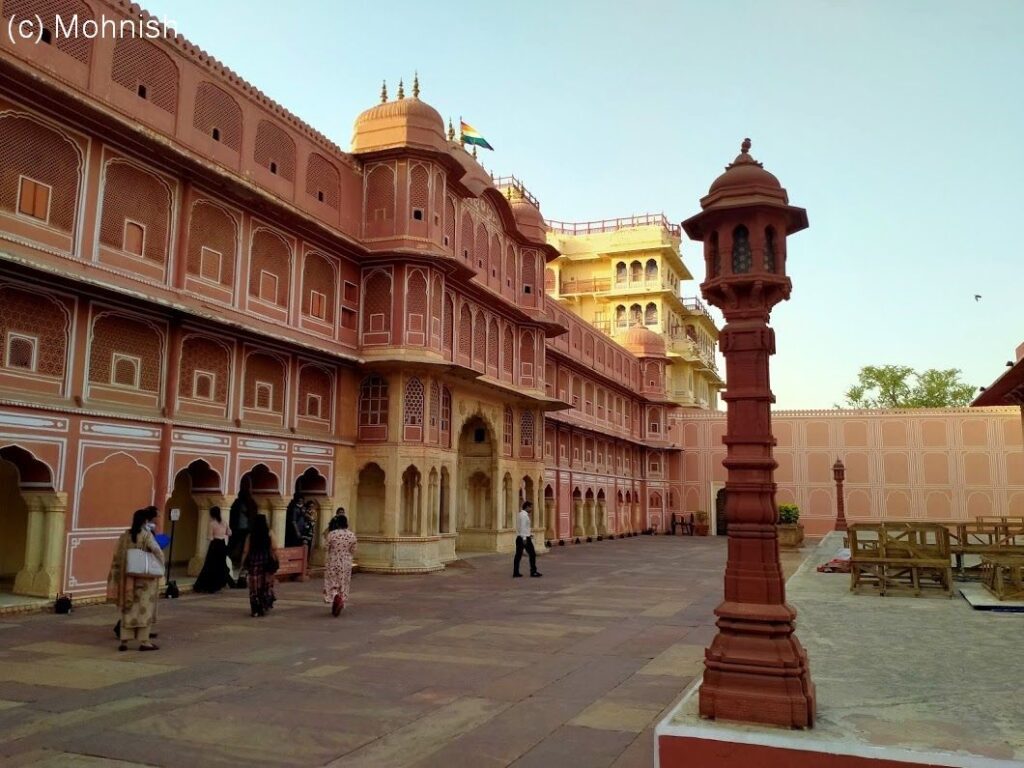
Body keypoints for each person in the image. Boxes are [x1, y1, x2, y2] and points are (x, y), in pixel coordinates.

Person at [107, 507, 163, 651]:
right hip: (145, 579)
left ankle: (124, 641)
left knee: (128, 608)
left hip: (128, 578)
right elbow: (157, 551)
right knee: (144, 609)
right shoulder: (146, 535)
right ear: (145, 520)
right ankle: (144, 641)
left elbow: (117, 556)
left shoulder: (125, 536)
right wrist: (159, 566)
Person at [322, 509, 357, 617]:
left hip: (333, 560)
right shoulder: (351, 535)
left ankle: (334, 596)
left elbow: (325, 548)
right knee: (344, 582)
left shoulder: (332, 534)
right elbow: (354, 550)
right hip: (346, 562)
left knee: (332, 581)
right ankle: (341, 598)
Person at [242, 514, 277, 617]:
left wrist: (242, 563)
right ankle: (263, 605)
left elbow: (245, 550)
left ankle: (255, 609)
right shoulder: (269, 533)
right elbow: (274, 548)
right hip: (265, 560)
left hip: (254, 561)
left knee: (254, 585)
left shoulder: (251, 535)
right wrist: (276, 559)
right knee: (265, 584)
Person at [192, 506, 233, 593]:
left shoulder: (212, 523)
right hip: (222, 544)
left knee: (210, 565)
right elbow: (229, 533)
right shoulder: (224, 522)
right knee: (221, 564)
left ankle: (208, 585)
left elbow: (210, 537)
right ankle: (219, 583)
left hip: (215, 544)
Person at [513, 501, 542, 578]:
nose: (531, 509)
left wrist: (529, 534)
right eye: (530, 507)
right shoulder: (524, 516)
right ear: (527, 507)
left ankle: (516, 572)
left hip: (520, 537)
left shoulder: (520, 514)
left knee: (518, 555)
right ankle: (533, 571)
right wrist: (525, 538)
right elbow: (522, 527)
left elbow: (523, 527)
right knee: (532, 554)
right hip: (524, 538)